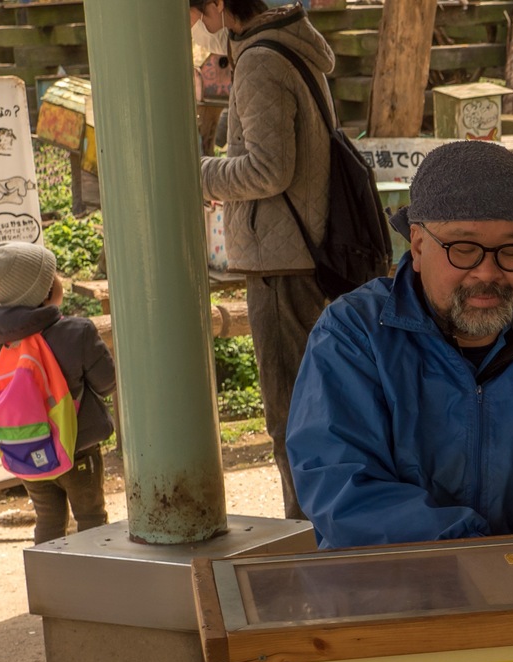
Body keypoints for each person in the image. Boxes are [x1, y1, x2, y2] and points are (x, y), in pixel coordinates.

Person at [285, 141, 513, 549]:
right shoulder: (353, 335)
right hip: (393, 587)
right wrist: (478, 555)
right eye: (463, 248)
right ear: (417, 244)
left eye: (512, 250)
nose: (487, 271)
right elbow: (339, 484)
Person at [191, 0, 335, 520]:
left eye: (193, 17)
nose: (195, 31)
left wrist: (198, 174)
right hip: (300, 254)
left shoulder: (258, 60)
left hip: (282, 262)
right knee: (311, 406)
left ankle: (307, 530)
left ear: (217, 6)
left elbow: (269, 171)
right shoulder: (291, 45)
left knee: (289, 411)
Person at [0, 242, 116, 545]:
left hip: (25, 450)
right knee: (91, 518)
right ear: (43, 291)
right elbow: (108, 383)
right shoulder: (76, 332)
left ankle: (49, 587)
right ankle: (97, 584)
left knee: (49, 521)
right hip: (77, 448)